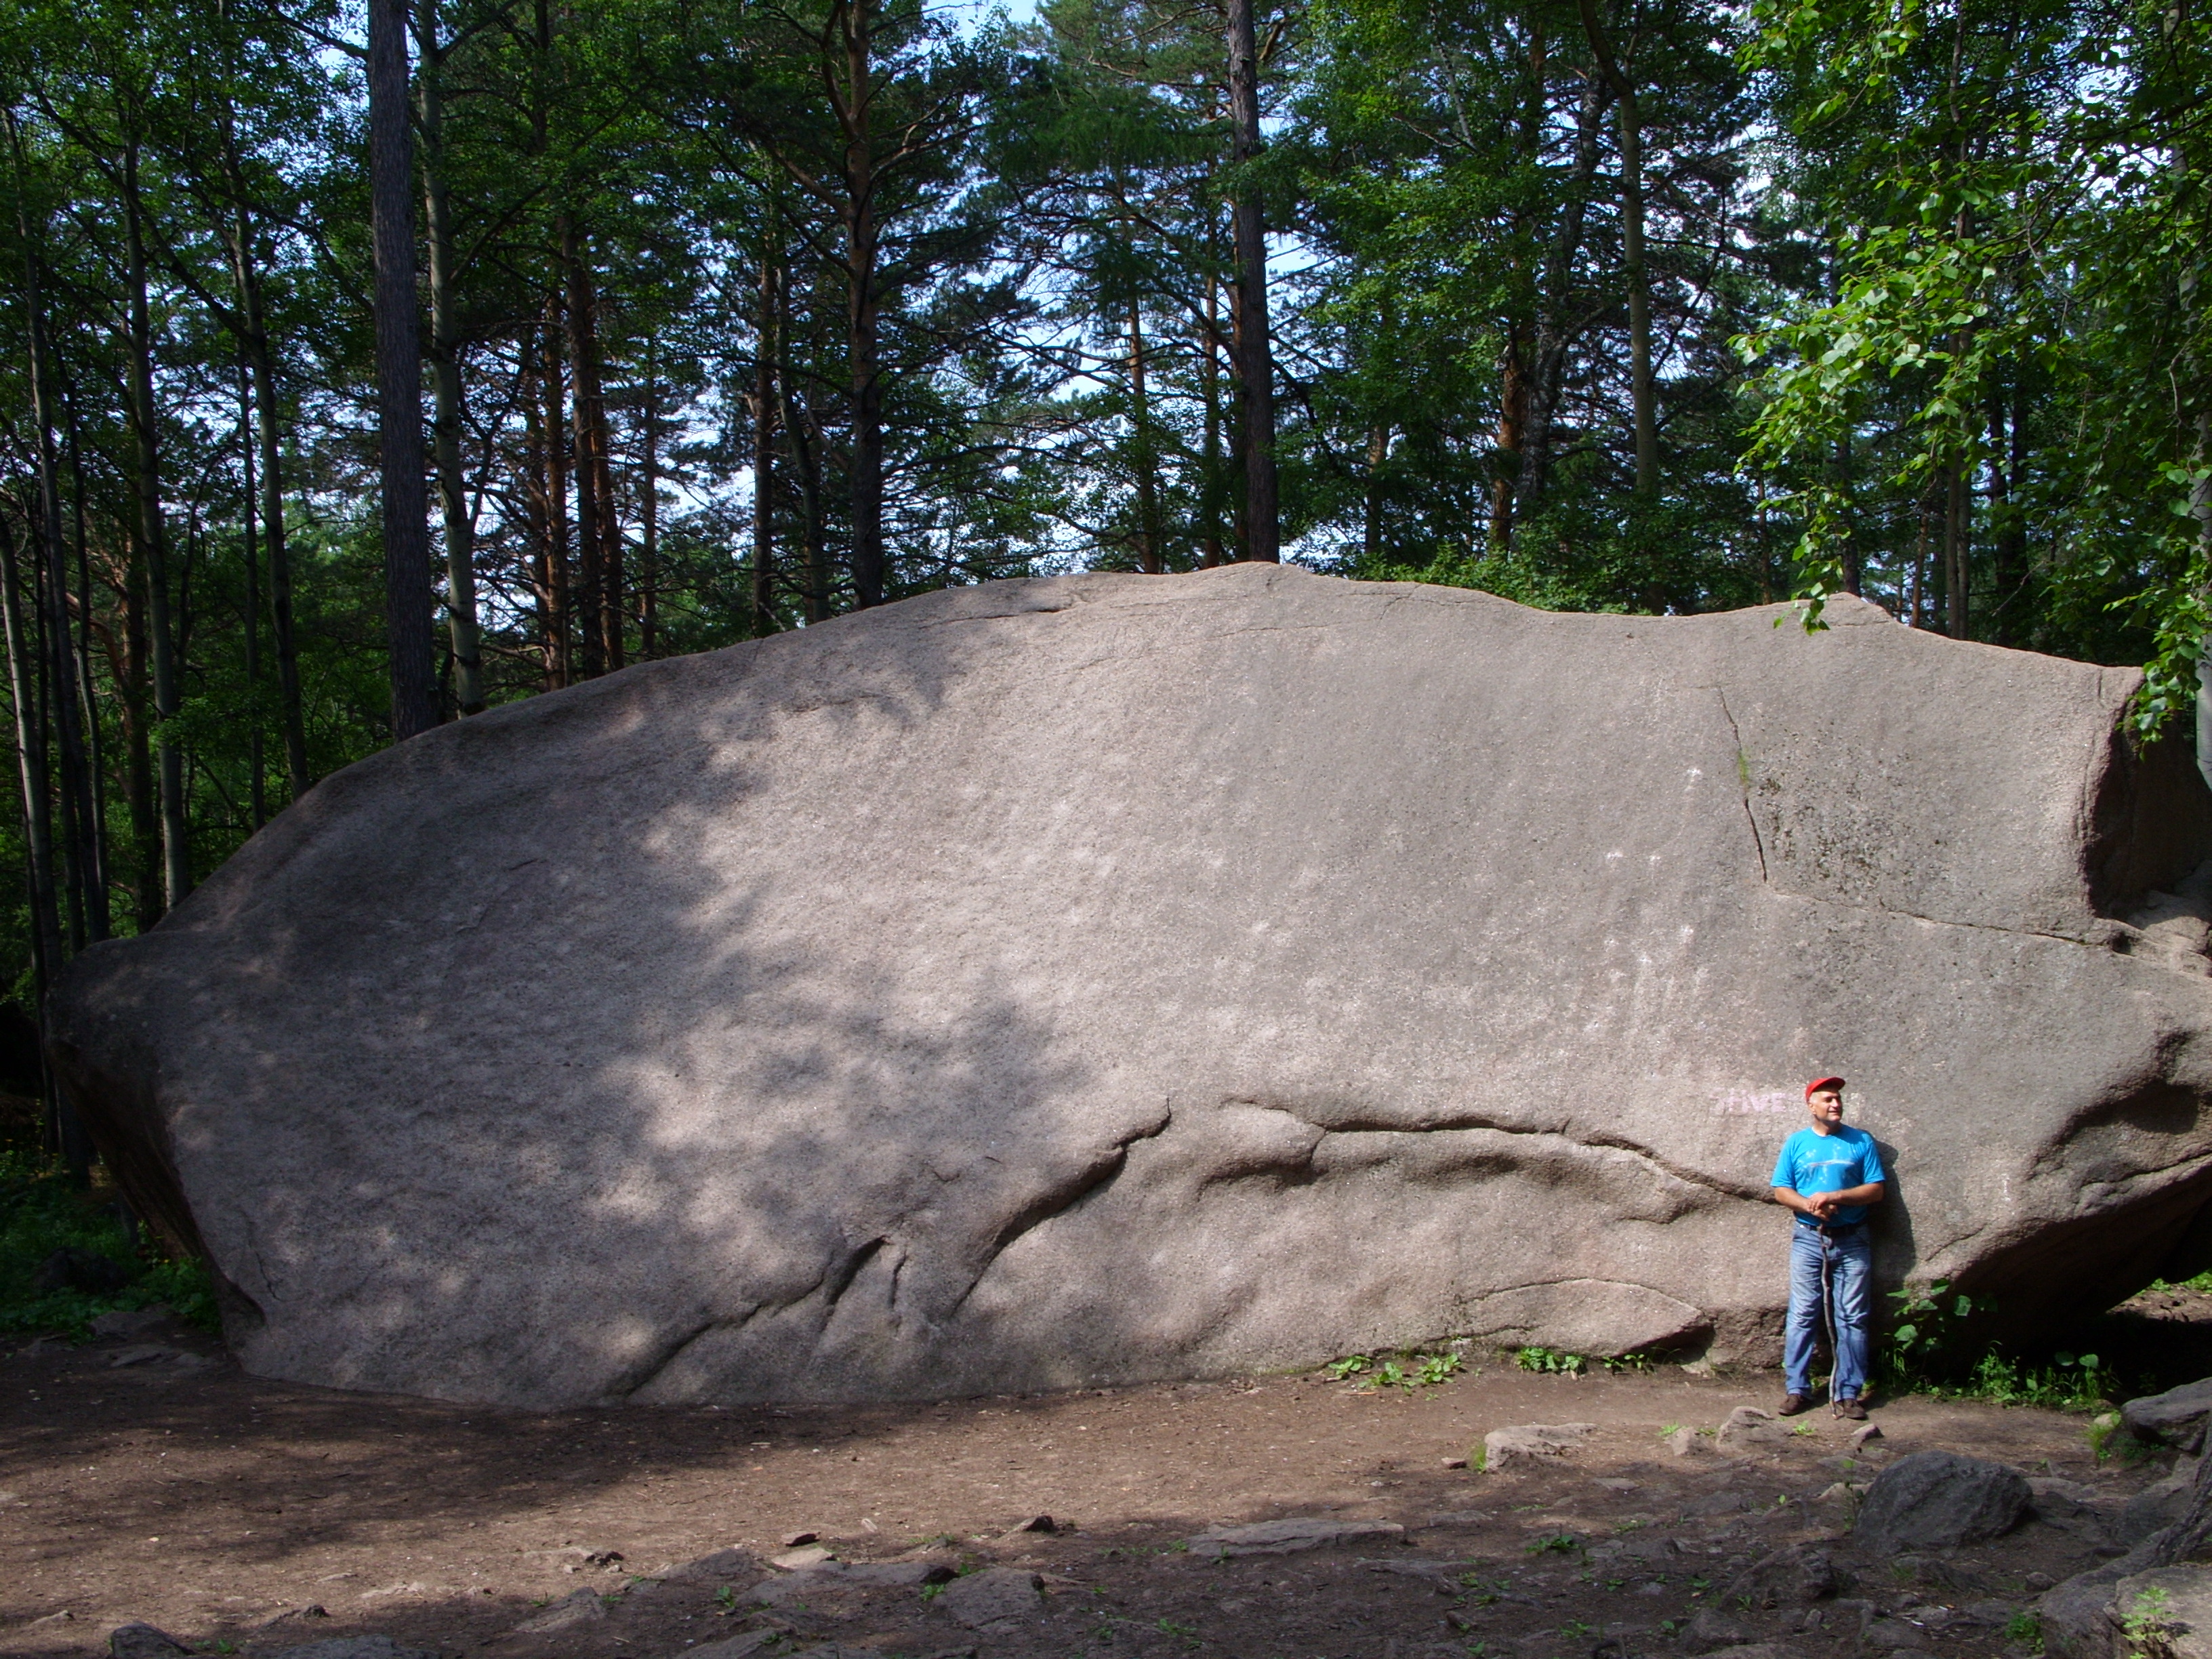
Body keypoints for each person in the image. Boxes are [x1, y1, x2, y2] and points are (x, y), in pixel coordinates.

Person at [1769, 1076, 1885, 1420]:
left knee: (1852, 1316)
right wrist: (1809, 1205)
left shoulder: (1860, 1141)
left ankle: (1848, 1393)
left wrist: (1835, 1197)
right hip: (1809, 1238)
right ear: (1812, 1106)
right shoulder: (1797, 1143)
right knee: (1803, 1313)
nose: (1836, 1104)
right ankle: (1797, 1390)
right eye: (1828, 1099)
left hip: (1853, 1238)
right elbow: (1780, 1189)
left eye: (1838, 1099)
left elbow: (1876, 1190)